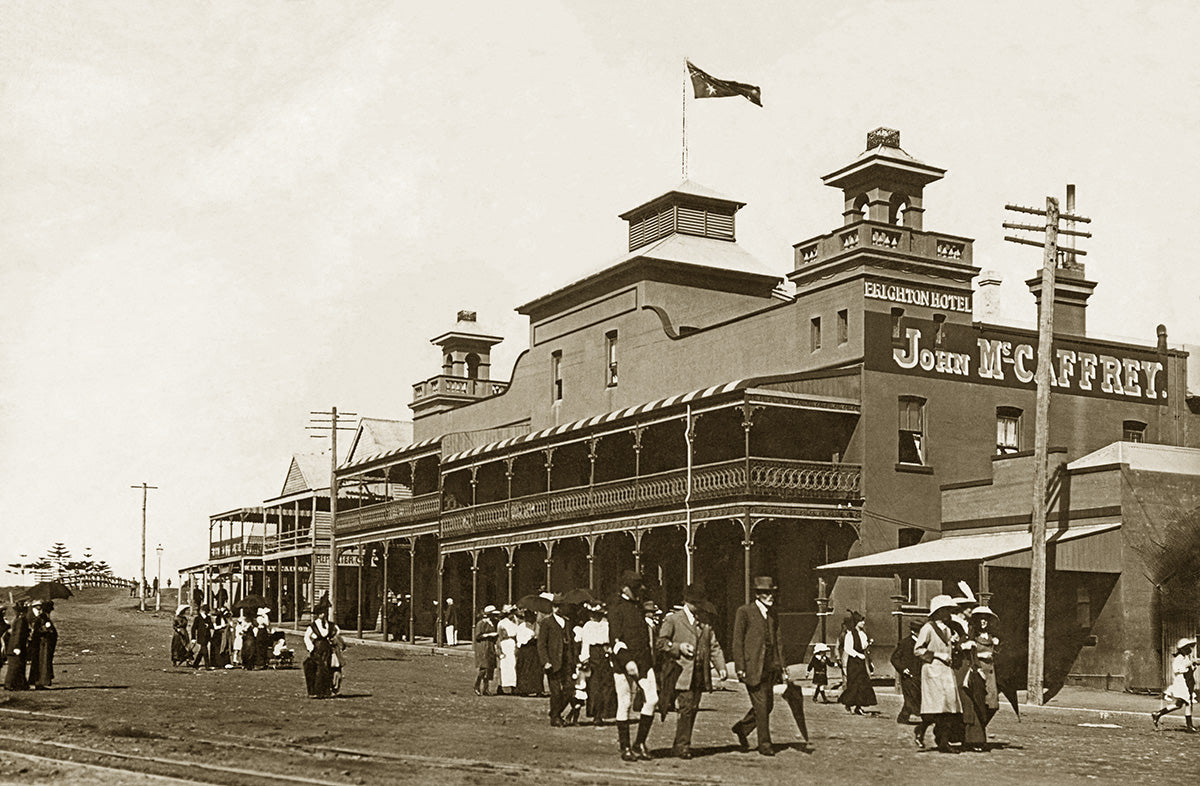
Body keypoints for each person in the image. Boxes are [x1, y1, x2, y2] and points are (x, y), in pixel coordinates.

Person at [656, 583, 729, 759]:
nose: (700, 607)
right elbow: (660, 643)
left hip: (699, 674)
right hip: (680, 673)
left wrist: (721, 667)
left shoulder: (705, 621)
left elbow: (714, 646)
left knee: (693, 708)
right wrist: (678, 647)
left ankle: (680, 743)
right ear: (688, 602)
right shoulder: (673, 619)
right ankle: (682, 746)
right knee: (686, 708)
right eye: (697, 603)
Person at [731, 576, 788, 757]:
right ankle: (765, 744)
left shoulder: (773, 614)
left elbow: (778, 641)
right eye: (766, 593)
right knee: (762, 706)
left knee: (768, 705)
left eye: (772, 592)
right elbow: (737, 641)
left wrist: (783, 667)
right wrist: (740, 667)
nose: (771, 596)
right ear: (758, 594)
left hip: (770, 667)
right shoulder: (745, 612)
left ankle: (742, 728)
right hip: (752, 667)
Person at [608, 570, 658, 762]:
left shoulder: (638, 607)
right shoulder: (616, 608)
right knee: (625, 703)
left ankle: (640, 743)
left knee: (652, 699)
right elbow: (615, 639)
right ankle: (625, 747)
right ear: (625, 588)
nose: (639, 592)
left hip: (644, 661)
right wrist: (627, 660)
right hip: (623, 664)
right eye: (635, 588)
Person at [913, 594, 964, 752]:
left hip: (946, 671)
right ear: (938, 611)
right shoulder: (928, 628)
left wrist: (954, 645)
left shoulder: (948, 630)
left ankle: (943, 741)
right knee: (936, 707)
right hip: (933, 670)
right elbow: (918, 650)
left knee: (948, 708)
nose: (948, 613)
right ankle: (922, 729)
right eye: (945, 610)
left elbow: (949, 649)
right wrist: (936, 654)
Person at [961, 606, 1001, 749]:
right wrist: (981, 655)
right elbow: (968, 655)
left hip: (991, 674)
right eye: (981, 619)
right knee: (978, 705)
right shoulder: (972, 637)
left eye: (986, 619)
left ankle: (975, 734)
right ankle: (975, 738)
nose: (983, 622)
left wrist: (997, 645)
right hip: (978, 673)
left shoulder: (992, 637)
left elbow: (999, 655)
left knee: (992, 705)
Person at [537, 595, 574, 726]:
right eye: (556, 606)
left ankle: (555, 712)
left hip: (567, 661)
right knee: (556, 692)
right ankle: (556, 718)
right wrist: (545, 661)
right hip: (553, 662)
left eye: (561, 606)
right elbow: (541, 644)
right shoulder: (547, 622)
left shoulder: (567, 622)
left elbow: (571, 643)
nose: (559, 608)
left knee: (570, 689)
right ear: (552, 607)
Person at [579, 602, 616, 723]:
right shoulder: (588, 626)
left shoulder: (607, 625)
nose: (594, 616)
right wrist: (585, 658)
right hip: (593, 655)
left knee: (607, 685)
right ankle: (596, 714)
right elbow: (586, 643)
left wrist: (610, 651)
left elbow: (611, 640)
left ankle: (605, 712)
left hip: (605, 655)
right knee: (594, 686)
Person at [1152, 637, 1197, 732]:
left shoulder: (1185, 657)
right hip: (1181, 683)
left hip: (1187, 682)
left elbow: (1189, 669)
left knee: (1178, 704)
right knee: (1188, 702)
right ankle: (1189, 726)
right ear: (1183, 648)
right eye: (1188, 647)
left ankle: (1158, 713)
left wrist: (1192, 665)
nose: (1190, 649)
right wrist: (1188, 665)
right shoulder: (1179, 658)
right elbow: (1177, 669)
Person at [838, 612, 876, 715]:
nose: (863, 623)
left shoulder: (863, 634)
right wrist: (858, 655)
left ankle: (858, 706)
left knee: (863, 684)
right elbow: (848, 648)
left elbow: (863, 647)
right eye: (861, 621)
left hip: (862, 662)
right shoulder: (849, 635)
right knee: (854, 683)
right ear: (856, 622)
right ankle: (848, 703)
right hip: (854, 663)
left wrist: (868, 644)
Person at [890, 620, 923, 723]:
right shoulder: (905, 643)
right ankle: (904, 717)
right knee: (910, 697)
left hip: (919, 674)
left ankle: (903, 717)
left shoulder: (923, 643)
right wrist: (903, 669)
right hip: (908, 676)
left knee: (916, 696)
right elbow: (894, 658)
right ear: (914, 632)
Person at [303, 600, 336, 698]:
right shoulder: (313, 626)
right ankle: (315, 691)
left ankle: (326, 690)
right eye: (321, 613)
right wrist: (310, 647)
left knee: (327, 669)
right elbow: (306, 637)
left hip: (326, 648)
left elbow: (336, 632)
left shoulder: (329, 625)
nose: (323, 614)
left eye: (324, 612)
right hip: (316, 648)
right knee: (317, 669)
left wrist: (333, 641)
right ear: (317, 615)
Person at [27, 600, 57, 689]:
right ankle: (40, 681)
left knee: (43, 662)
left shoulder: (42, 617)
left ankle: (41, 681)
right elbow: (35, 631)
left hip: (44, 643)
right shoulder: (34, 617)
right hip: (40, 643)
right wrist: (45, 628)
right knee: (42, 662)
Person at [515, 609, 543, 696]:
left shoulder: (537, 625)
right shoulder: (522, 626)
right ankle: (524, 690)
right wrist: (529, 638)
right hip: (525, 650)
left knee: (536, 669)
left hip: (534, 650)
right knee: (525, 669)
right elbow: (520, 639)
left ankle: (538, 689)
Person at [473, 605, 500, 696]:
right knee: (484, 667)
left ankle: (485, 688)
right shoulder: (481, 623)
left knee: (490, 668)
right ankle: (476, 685)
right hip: (483, 646)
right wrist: (489, 635)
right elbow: (478, 636)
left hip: (490, 646)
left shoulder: (492, 623)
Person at [3, 601, 30, 691]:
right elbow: (18, 634)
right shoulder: (21, 621)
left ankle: (19, 685)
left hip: (13, 646)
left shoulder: (18, 619)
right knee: (15, 666)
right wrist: (17, 647)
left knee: (17, 666)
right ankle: (10, 685)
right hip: (16, 646)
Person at [495, 605, 520, 695]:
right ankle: (500, 686)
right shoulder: (502, 623)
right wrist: (499, 650)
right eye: (511, 613)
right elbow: (499, 637)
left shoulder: (515, 622)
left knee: (513, 665)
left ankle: (513, 686)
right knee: (503, 666)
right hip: (505, 644)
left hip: (512, 644)